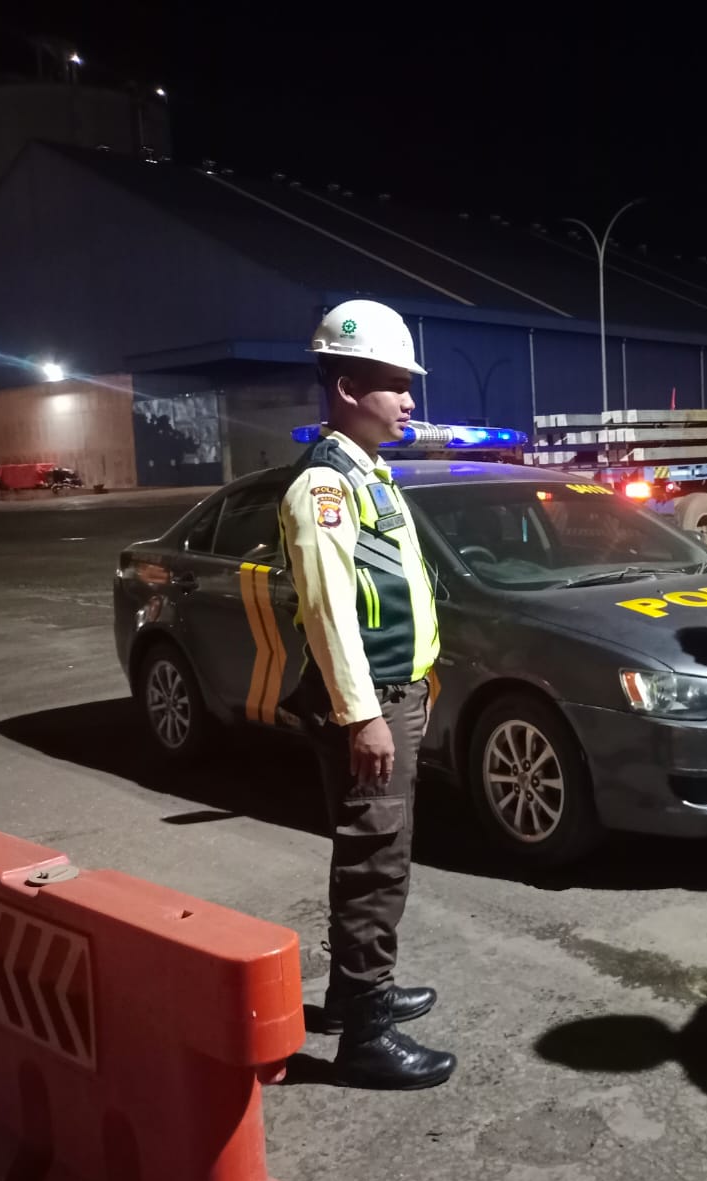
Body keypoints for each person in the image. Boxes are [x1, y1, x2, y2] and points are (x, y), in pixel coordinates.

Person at [277, 298, 455, 1090]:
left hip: (394, 693)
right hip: (368, 702)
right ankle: (365, 1035)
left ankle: (356, 992)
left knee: (382, 847)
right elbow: (327, 611)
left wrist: (418, 682)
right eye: (395, 384)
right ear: (347, 387)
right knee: (374, 859)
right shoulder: (324, 485)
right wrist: (362, 716)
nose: (409, 399)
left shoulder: (366, 472)